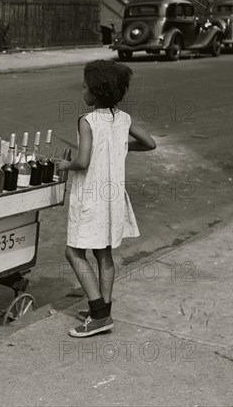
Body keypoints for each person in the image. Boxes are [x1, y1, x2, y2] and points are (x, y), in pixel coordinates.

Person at [56, 60, 156, 338]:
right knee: (104, 254)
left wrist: (66, 165)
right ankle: (104, 311)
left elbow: (84, 160)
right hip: (112, 198)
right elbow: (150, 143)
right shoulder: (123, 118)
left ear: (96, 92)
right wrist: (122, 147)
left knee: (73, 252)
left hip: (91, 197)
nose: (82, 89)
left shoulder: (86, 121)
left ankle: (99, 314)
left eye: (85, 85)